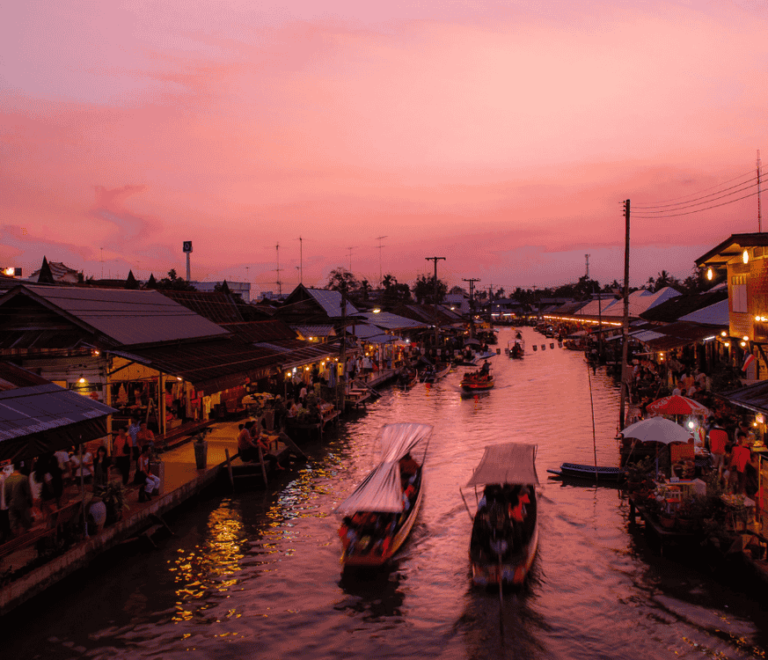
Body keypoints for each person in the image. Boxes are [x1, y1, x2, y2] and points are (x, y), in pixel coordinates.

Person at [4, 463, 33, 534]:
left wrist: (8, 504)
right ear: (20, 468)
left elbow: (6, 495)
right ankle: (27, 540)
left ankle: (18, 540)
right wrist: (30, 504)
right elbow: (28, 493)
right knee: (26, 524)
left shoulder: (7, 480)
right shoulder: (23, 478)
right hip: (22, 504)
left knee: (14, 525)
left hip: (11, 505)